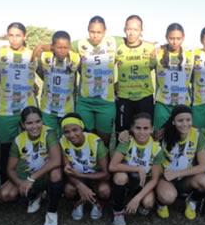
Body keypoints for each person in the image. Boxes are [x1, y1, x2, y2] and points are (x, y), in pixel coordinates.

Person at [0, 107, 63, 225]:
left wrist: (31, 179)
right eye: (29, 123)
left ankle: (52, 212)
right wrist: (21, 183)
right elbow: (10, 169)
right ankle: (36, 195)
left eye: (38, 121)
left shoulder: (49, 133)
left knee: (56, 173)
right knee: (5, 194)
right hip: (27, 175)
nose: (35, 126)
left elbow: (56, 160)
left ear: (42, 121)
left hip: (42, 174)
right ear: (23, 124)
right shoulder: (18, 140)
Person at [0, 22, 37, 183]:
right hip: (6, 109)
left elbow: (40, 73)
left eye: (18, 35)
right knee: (6, 148)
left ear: (24, 36)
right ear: (7, 36)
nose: (14, 38)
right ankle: (5, 182)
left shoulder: (33, 54)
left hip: (28, 108)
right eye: (11, 35)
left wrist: (35, 85)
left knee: (31, 147)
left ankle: (31, 181)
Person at [155, 105, 205, 220]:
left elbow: (203, 166)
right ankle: (160, 202)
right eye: (180, 120)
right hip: (166, 177)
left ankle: (192, 200)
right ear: (173, 122)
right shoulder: (163, 134)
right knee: (168, 197)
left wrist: (177, 173)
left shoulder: (197, 135)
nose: (185, 124)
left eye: (188, 120)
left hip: (185, 178)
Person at [72, 16, 122, 147]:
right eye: (92, 32)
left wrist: (157, 46)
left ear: (105, 31)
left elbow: (134, 40)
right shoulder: (79, 44)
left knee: (103, 143)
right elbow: (60, 45)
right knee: (87, 140)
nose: (95, 36)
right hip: (85, 102)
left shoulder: (114, 41)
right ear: (88, 30)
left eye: (99, 32)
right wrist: (41, 47)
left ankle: (104, 167)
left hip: (106, 103)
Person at [109, 113, 164, 225]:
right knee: (120, 177)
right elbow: (112, 166)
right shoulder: (127, 141)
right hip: (128, 179)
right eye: (138, 128)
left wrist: (137, 199)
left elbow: (154, 180)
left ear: (151, 129)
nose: (142, 132)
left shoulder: (156, 148)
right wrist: (137, 168)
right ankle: (118, 211)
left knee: (148, 203)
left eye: (146, 128)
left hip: (143, 183)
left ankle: (137, 201)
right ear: (132, 128)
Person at [60, 114, 111, 220]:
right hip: (77, 177)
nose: (72, 135)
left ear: (82, 127)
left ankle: (97, 202)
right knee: (69, 190)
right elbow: (67, 170)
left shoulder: (96, 142)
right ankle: (79, 201)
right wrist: (80, 185)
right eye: (67, 132)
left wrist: (81, 176)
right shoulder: (62, 142)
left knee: (104, 190)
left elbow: (106, 174)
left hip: (96, 177)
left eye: (75, 130)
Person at [115, 15, 157, 133]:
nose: (131, 33)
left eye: (135, 30)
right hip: (124, 98)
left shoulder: (150, 48)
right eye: (129, 29)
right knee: (123, 133)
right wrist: (113, 86)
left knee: (145, 133)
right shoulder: (118, 48)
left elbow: (156, 68)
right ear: (124, 30)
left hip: (144, 97)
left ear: (141, 31)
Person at [37, 31, 81, 133]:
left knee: (65, 140)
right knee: (49, 138)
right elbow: (36, 66)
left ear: (69, 47)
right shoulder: (45, 57)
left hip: (67, 109)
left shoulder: (75, 59)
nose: (62, 51)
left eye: (65, 48)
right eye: (59, 47)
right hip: (47, 109)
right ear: (52, 47)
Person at [154, 23, 194, 132]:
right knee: (158, 136)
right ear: (166, 37)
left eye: (178, 38)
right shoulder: (158, 53)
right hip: (162, 104)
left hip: (183, 104)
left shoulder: (191, 55)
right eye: (171, 38)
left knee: (180, 136)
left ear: (183, 38)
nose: (175, 42)